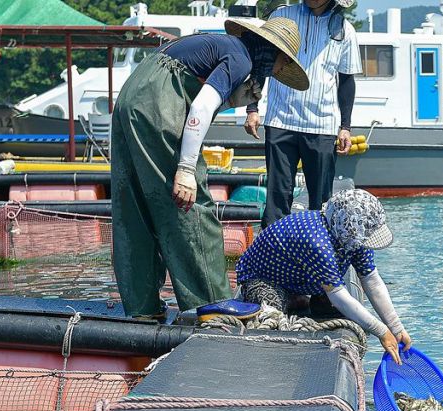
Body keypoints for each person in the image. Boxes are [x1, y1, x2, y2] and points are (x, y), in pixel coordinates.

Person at [110, 17, 309, 319]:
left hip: (131, 97)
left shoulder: (225, 47)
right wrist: (185, 169)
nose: (280, 71)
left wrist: (231, 101)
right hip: (157, 106)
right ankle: (213, 303)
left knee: (135, 205)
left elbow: (187, 90)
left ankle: (142, 307)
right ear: (273, 53)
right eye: (284, 63)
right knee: (191, 204)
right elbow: (200, 107)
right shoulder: (241, 59)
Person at [235, 189, 411, 363]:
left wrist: (396, 327)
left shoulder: (357, 238)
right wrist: (381, 331)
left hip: (300, 277)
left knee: (333, 309)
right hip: (264, 278)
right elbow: (337, 294)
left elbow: (372, 280)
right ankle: (291, 301)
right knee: (271, 317)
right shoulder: (318, 243)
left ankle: (301, 300)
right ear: (349, 228)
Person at [244, 0, 361, 227]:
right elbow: (262, 61)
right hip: (280, 119)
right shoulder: (281, 16)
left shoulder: (345, 30)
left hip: (322, 125)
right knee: (277, 198)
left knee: (322, 202)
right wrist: (252, 108)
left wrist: (345, 127)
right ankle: (273, 246)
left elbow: (347, 80)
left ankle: (320, 246)